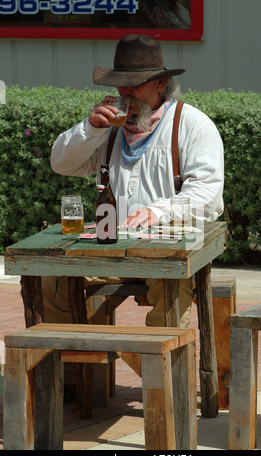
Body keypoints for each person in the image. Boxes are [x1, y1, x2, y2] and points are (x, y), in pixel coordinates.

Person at [43, 34, 224, 331]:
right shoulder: (106, 130)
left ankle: (160, 373)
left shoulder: (193, 125)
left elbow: (208, 195)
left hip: (166, 251)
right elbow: (61, 163)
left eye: (134, 83)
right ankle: (80, 370)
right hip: (111, 248)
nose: (125, 91)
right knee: (55, 279)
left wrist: (157, 212)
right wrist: (89, 129)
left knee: (171, 282)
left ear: (160, 83)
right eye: (120, 83)